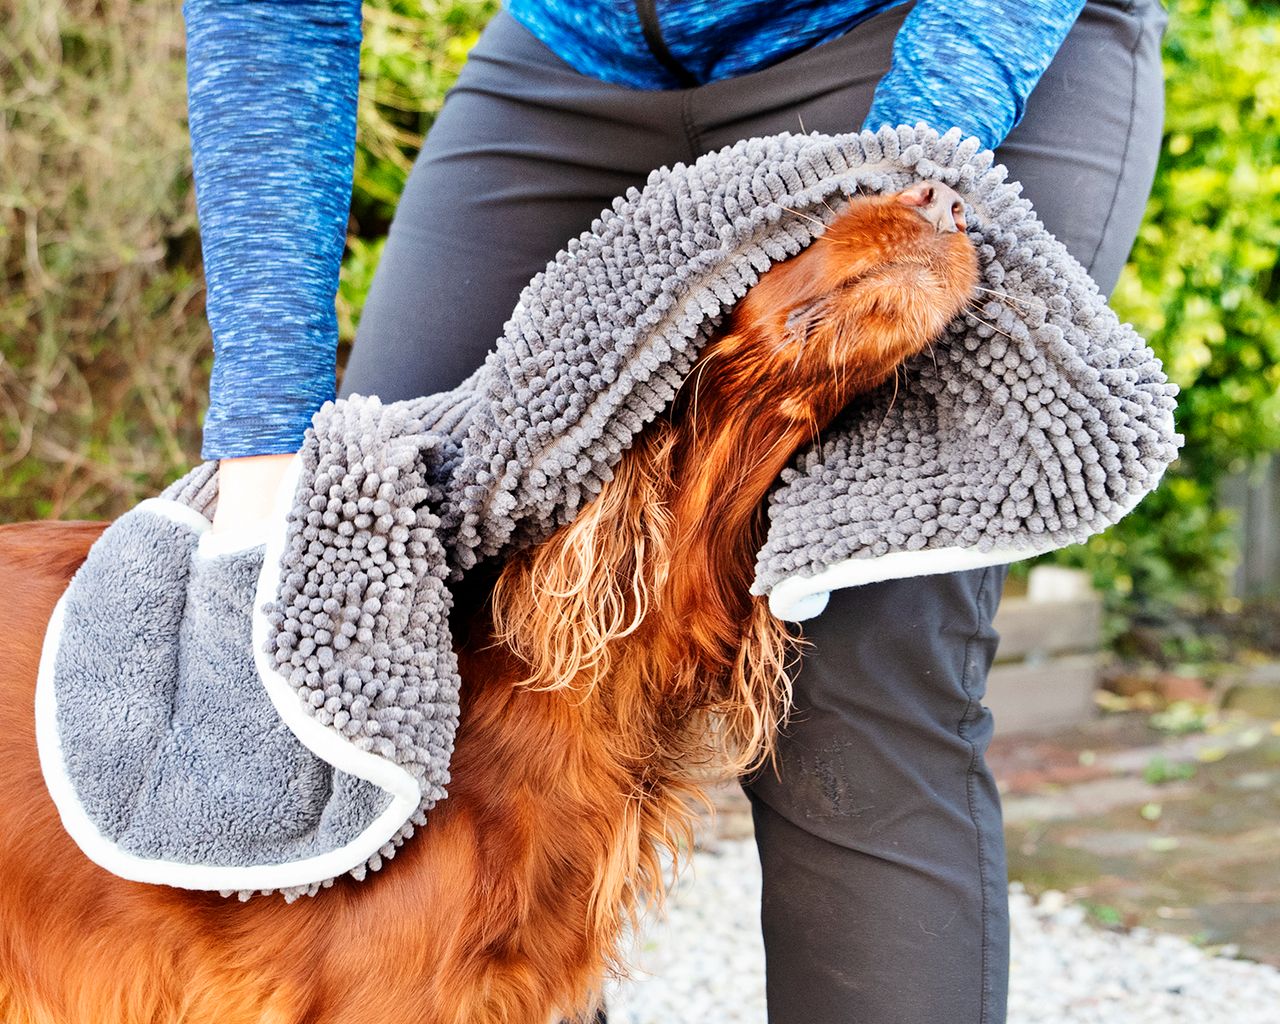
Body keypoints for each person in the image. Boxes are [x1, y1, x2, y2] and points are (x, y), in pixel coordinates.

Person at [183, 1, 1169, 1019]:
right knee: (389, 604)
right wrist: (267, 436)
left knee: (848, 671)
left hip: (927, 32)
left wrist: (895, 191)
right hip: (578, 49)